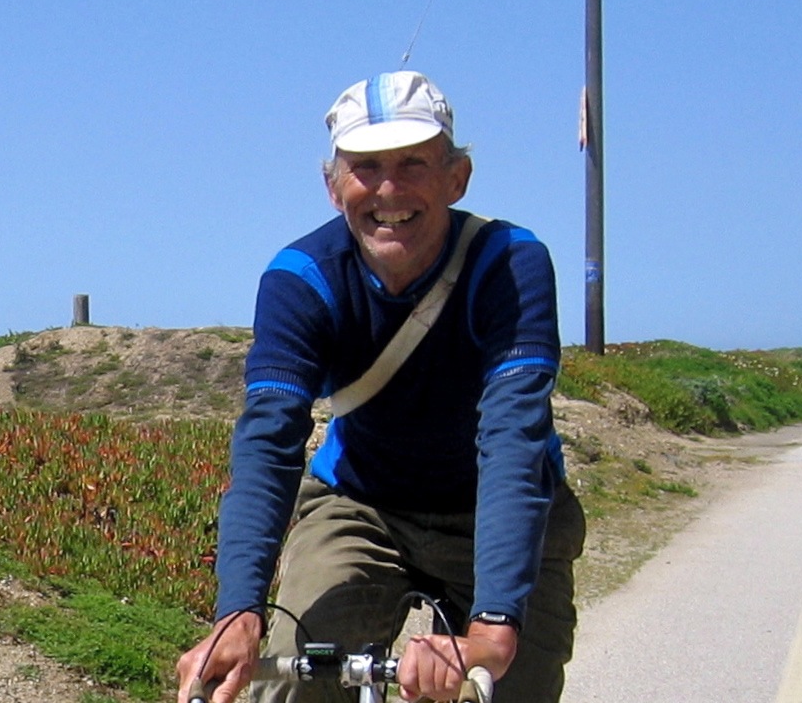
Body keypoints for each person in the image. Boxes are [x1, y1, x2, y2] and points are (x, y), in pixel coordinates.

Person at [176, 70, 585, 703]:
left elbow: (513, 437)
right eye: (365, 167)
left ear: (457, 178)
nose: (388, 189)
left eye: (413, 163)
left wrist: (496, 623)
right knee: (290, 686)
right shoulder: (301, 277)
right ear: (333, 186)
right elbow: (268, 444)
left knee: (509, 688)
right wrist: (238, 611)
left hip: (495, 511)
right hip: (362, 504)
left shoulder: (510, 263)